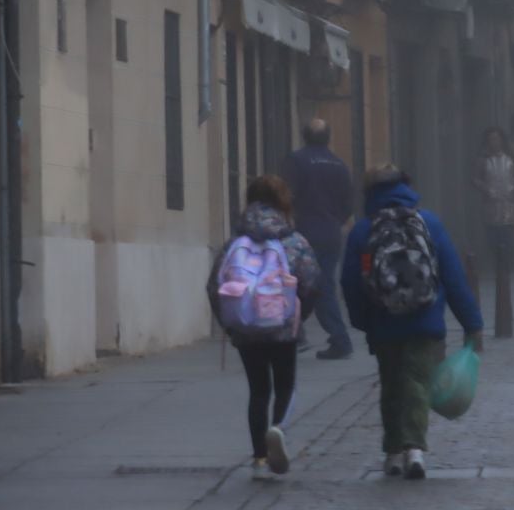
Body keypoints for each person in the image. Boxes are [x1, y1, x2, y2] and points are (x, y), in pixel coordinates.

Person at [341, 165, 484, 480]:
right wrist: (472, 323)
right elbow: (454, 276)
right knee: (417, 382)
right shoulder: (428, 222)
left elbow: (351, 282)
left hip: (383, 319)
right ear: (407, 187)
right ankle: (415, 449)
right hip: (425, 318)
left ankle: (393, 452)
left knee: (391, 384)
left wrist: (362, 321)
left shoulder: (364, 230)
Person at [207, 174, 322, 482]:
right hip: (283, 327)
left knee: (258, 390)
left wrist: (230, 325)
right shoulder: (293, 241)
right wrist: (301, 317)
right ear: (282, 202)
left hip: (246, 329)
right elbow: (311, 282)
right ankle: (278, 428)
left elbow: (213, 285)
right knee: (285, 385)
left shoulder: (236, 242)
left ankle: (258, 458)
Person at [281, 117, 356, 359]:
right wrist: (334, 221)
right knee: (324, 287)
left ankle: (297, 334)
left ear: (304, 135)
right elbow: (348, 205)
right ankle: (338, 338)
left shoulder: (296, 160)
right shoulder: (339, 164)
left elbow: (286, 196)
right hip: (331, 233)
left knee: (289, 283)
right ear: (328, 137)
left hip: (303, 233)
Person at [470, 127, 514, 267]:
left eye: (496, 138)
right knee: (493, 238)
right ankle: (497, 263)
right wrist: (486, 189)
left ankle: (507, 265)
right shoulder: (483, 160)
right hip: (491, 206)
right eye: (491, 139)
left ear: (501, 140)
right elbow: (475, 178)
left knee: (508, 238)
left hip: (510, 205)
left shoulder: (511, 157)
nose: (494, 142)